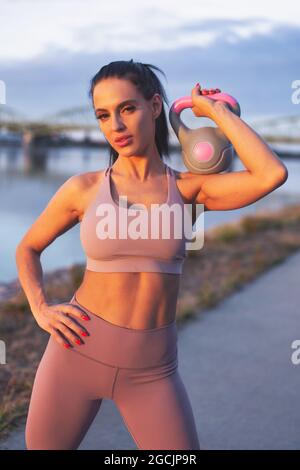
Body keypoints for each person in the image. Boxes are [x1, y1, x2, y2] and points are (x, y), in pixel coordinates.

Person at [15, 60, 288, 450]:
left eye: (127, 109)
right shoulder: (84, 189)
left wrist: (217, 113)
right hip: (75, 354)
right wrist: (40, 307)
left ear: (156, 106)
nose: (116, 127)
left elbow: (270, 175)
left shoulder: (191, 191)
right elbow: (28, 247)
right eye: (103, 116)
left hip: (153, 370)